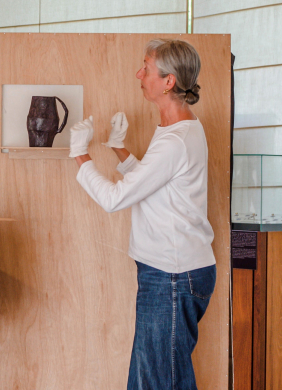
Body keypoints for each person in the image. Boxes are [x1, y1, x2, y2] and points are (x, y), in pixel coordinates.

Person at [68, 38, 216, 390]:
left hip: (172, 276)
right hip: (173, 271)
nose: (139, 73)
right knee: (152, 378)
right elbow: (158, 185)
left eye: (146, 67)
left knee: (159, 381)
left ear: (168, 82)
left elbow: (115, 198)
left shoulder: (174, 140)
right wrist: (121, 150)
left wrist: (79, 155)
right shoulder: (177, 129)